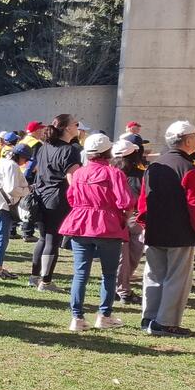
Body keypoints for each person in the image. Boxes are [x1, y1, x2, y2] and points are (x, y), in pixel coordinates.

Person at [136, 120, 195, 336]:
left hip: (155, 228)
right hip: (180, 231)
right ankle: (166, 322)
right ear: (188, 141)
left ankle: (149, 317)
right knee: (177, 278)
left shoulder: (154, 166)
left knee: (153, 274)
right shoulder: (189, 168)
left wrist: (144, 223)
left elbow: (143, 200)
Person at [58, 133, 134, 331]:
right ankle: (104, 315)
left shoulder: (79, 173)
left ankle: (77, 317)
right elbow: (126, 202)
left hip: (80, 224)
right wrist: (122, 218)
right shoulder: (114, 173)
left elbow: (71, 198)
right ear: (107, 151)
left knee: (80, 274)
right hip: (107, 226)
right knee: (109, 274)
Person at [28, 114, 83, 292]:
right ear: (67, 128)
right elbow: (73, 179)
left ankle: (34, 277)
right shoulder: (70, 150)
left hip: (40, 196)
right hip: (57, 199)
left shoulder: (44, 147)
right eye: (76, 123)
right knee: (52, 240)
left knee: (43, 238)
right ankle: (46, 282)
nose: (78, 126)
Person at [0, 143, 32, 279]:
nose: (26, 162)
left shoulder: (4, 162)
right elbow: (11, 189)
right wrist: (27, 190)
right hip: (2, 204)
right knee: (1, 237)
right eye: (26, 158)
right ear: (20, 156)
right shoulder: (12, 166)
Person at [111, 140, 146, 305]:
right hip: (134, 218)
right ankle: (122, 289)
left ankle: (118, 287)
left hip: (114, 217)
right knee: (131, 257)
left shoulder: (109, 172)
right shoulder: (142, 175)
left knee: (122, 256)